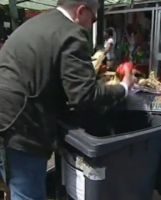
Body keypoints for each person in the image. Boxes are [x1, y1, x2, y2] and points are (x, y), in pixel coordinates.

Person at [0, 0, 135, 199]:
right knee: (27, 194)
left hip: (7, 119)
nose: (92, 24)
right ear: (81, 11)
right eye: (94, 18)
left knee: (16, 187)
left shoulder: (38, 23)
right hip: (21, 128)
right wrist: (123, 88)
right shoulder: (71, 33)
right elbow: (84, 95)